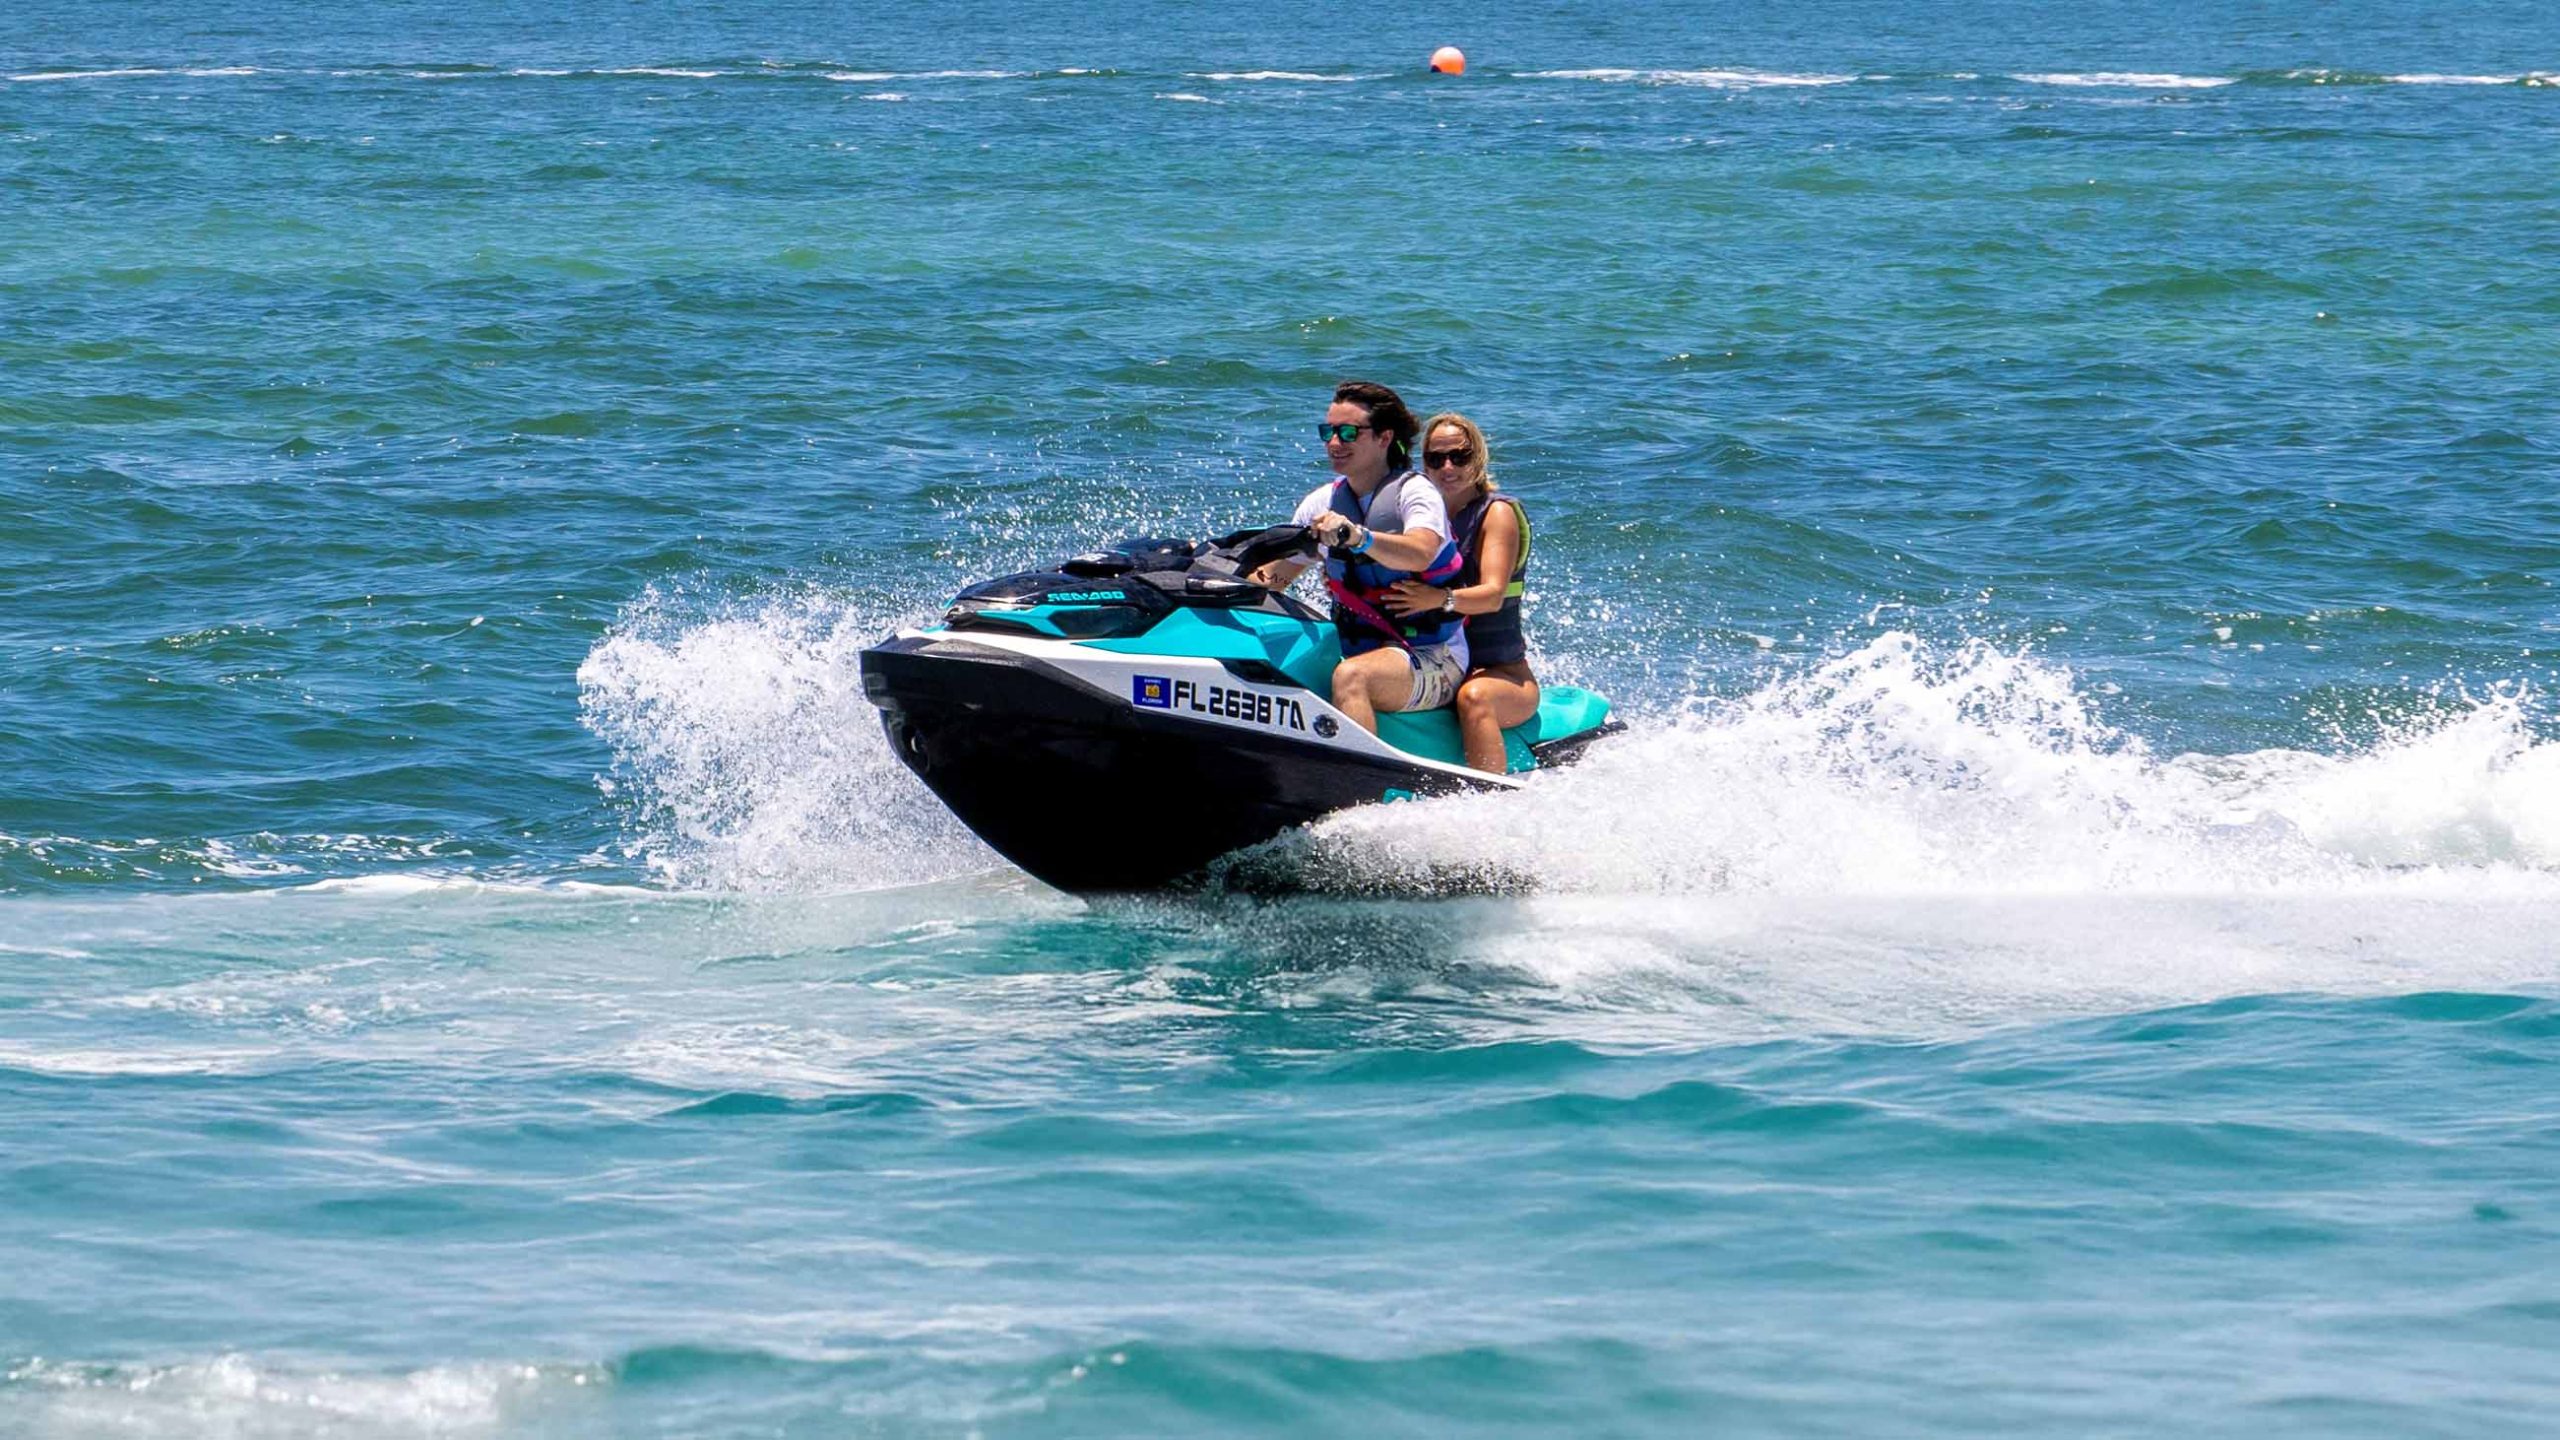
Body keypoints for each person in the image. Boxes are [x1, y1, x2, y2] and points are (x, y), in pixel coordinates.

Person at [1252, 380, 1468, 735]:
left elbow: (1422, 551)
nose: (1335, 443)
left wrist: (1358, 537)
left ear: (1384, 438)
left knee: (1352, 677)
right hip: (1359, 645)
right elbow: (1274, 576)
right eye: (1329, 432)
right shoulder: (1321, 503)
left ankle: (1365, 788)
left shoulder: (1415, 493)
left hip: (1433, 654)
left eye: (1349, 432)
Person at [1385, 413, 1539, 774]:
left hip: (1502, 675)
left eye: (1460, 456)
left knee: (1475, 698)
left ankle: (1489, 803)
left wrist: (1437, 600)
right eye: (1436, 459)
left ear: (1479, 458)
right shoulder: (1418, 516)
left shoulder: (1495, 513)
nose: (1448, 467)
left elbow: (1492, 596)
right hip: (1438, 662)